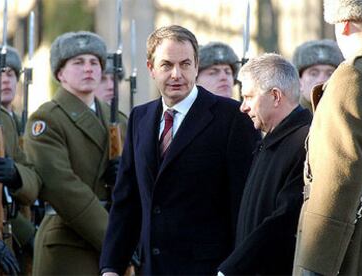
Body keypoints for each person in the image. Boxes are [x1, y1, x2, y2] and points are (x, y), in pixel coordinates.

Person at [100, 25, 260, 275]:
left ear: (196, 66)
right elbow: (127, 200)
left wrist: (236, 268)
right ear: (151, 68)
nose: (177, 74)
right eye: (166, 65)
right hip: (152, 268)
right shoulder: (139, 118)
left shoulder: (231, 118)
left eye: (185, 64)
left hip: (209, 268)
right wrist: (111, 266)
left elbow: (245, 203)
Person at [293, 0, 362, 275]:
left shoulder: (352, 75)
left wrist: (315, 265)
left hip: (351, 236)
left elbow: (338, 177)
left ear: (344, 24)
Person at [23, 31, 123, 275]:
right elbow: (62, 187)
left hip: (117, 239)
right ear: (60, 74)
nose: (88, 69)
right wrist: (114, 238)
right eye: (78, 63)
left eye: (94, 63)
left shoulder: (120, 121)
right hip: (68, 244)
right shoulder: (47, 119)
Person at [217, 53, 312, 275]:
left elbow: (284, 218)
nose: (243, 107)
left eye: (249, 97)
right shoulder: (271, 140)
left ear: (276, 96)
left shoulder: (305, 142)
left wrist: (233, 268)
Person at [0, 45, 42, 275]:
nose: (5, 79)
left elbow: (32, 181)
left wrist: (15, 175)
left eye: (11, 74)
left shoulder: (7, 123)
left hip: (5, 232)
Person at [292, 39, 343, 111]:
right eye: (313, 74)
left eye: (330, 74)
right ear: (299, 81)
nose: (321, 80)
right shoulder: (286, 118)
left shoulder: (348, 118)